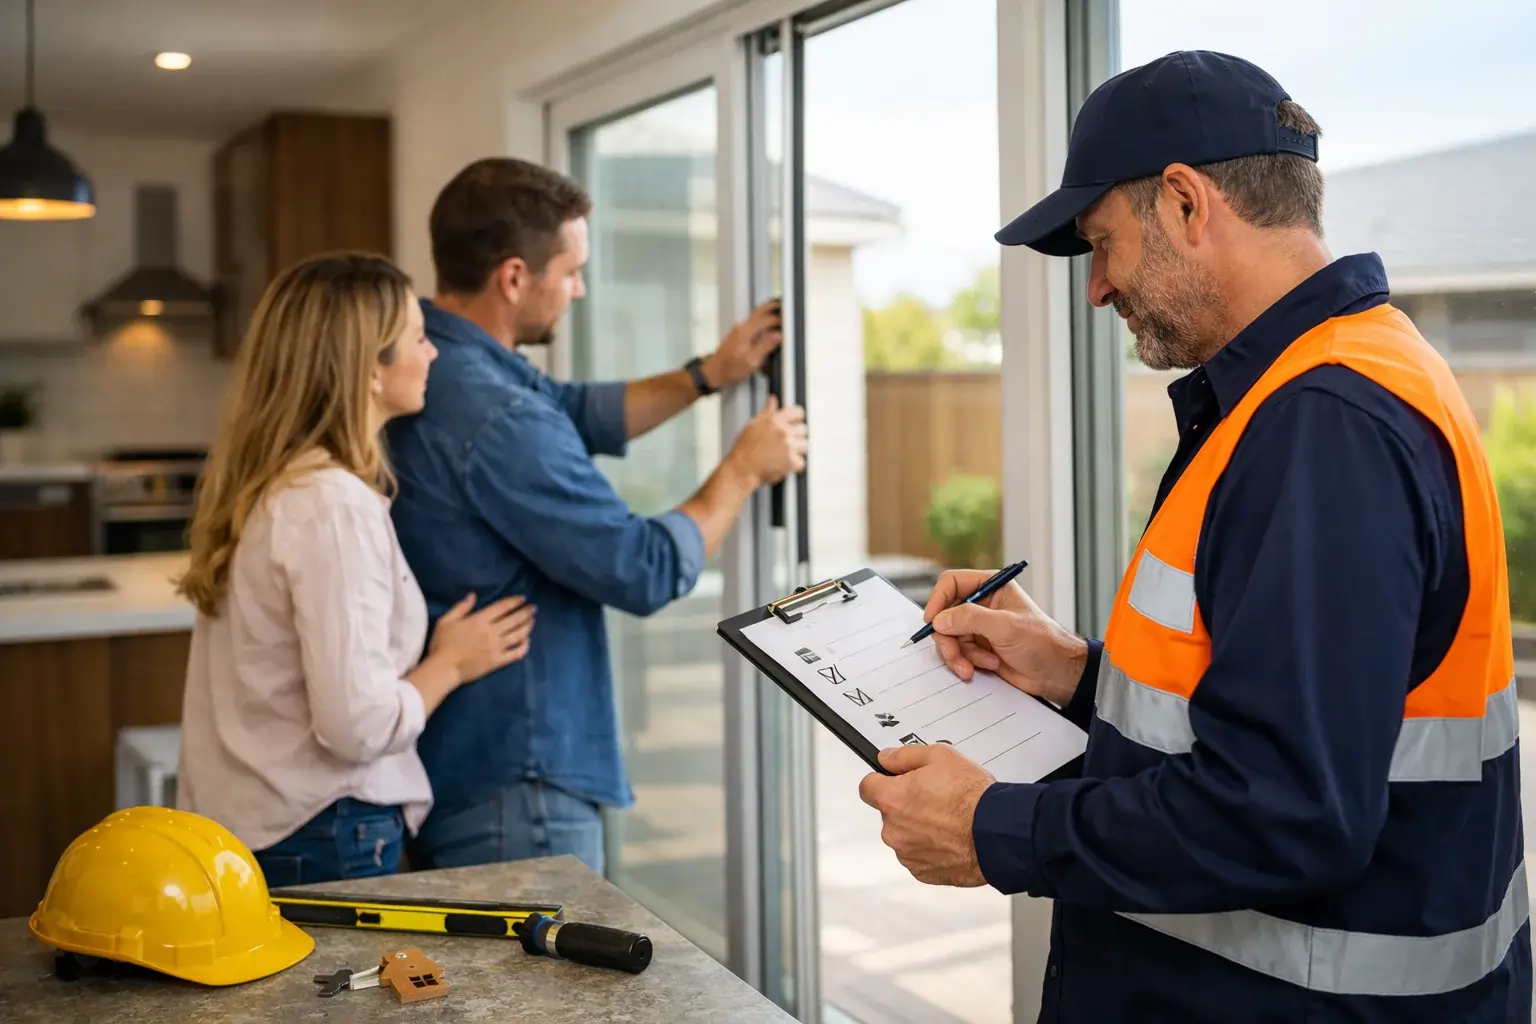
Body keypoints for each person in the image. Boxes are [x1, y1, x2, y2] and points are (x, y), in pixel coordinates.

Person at [857, 50, 1529, 1023]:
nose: (1096, 290)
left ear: (1183, 203)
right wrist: (1076, 674)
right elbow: (1304, 719)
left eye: (1101, 243)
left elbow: (1287, 813)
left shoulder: (1322, 422)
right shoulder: (1350, 374)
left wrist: (992, 825)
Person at [386, 158, 807, 874]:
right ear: (515, 277)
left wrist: (708, 373)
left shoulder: (444, 364)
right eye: (571, 271)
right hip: (518, 786)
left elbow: (574, 411)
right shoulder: (496, 412)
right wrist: (742, 470)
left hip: (464, 762)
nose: (579, 288)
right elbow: (640, 568)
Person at [176, 252, 536, 887]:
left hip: (260, 827)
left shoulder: (278, 487)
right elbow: (355, 725)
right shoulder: (332, 506)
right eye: (418, 338)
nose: (432, 354)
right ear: (371, 366)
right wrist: (448, 664)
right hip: (321, 833)